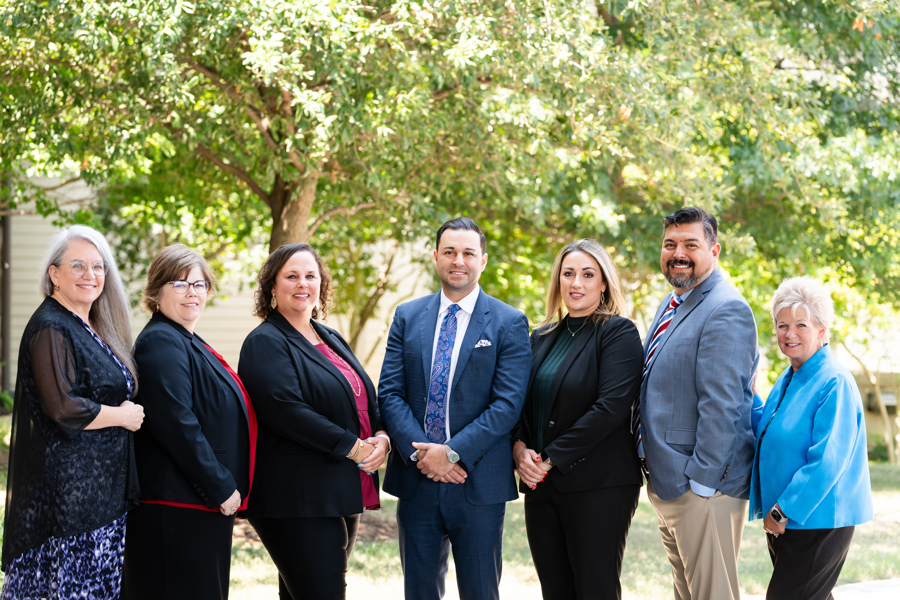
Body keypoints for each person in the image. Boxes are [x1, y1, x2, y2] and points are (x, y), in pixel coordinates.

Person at [378, 217, 532, 600]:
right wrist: (426, 455)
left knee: (480, 592)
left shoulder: (508, 322)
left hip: (478, 483)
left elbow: (507, 405)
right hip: (417, 480)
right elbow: (391, 393)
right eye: (449, 252)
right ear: (435, 258)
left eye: (467, 252)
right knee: (420, 592)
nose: (457, 260)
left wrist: (451, 452)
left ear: (483, 260)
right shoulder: (407, 316)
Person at [238, 243, 389, 600]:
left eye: (310, 275)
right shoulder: (265, 342)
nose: (302, 283)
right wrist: (354, 448)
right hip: (297, 500)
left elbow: (363, 395)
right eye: (291, 276)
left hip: (338, 491)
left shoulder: (329, 336)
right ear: (272, 287)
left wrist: (382, 436)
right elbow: (286, 410)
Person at [1, 225, 144, 600]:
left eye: (98, 267)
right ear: (54, 274)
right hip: (69, 501)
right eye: (78, 265)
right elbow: (63, 407)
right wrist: (122, 416)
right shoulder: (51, 326)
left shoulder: (88, 324)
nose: (90, 275)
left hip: (98, 496)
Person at [121, 244, 256, 600]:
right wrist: (220, 487)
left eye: (199, 284)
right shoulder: (161, 342)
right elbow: (178, 423)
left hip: (195, 507)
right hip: (177, 508)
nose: (192, 292)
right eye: (179, 284)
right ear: (156, 292)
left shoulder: (186, 339)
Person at [637, 207, 759, 600]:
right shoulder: (673, 302)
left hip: (705, 488)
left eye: (691, 244)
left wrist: (701, 485)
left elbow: (723, 407)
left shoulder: (726, 308)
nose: (678, 253)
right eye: (670, 244)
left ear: (715, 250)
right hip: (671, 482)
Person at [512, 239, 643, 600]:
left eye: (588, 274)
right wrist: (520, 450)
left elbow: (610, 409)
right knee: (555, 591)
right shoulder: (541, 337)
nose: (577, 283)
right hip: (541, 486)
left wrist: (549, 459)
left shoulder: (618, 333)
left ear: (603, 283)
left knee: (594, 590)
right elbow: (520, 406)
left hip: (599, 485)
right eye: (568, 274)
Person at [750, 276, 873, 600]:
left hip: (815, 519)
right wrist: (745, 396)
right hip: (788, 520)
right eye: (782, 325)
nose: (789, 334)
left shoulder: (833, 381)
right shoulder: (790, 376)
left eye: (801, 325)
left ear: (822, 330)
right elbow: (768, 427)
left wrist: (782, 511)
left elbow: (828, 460)